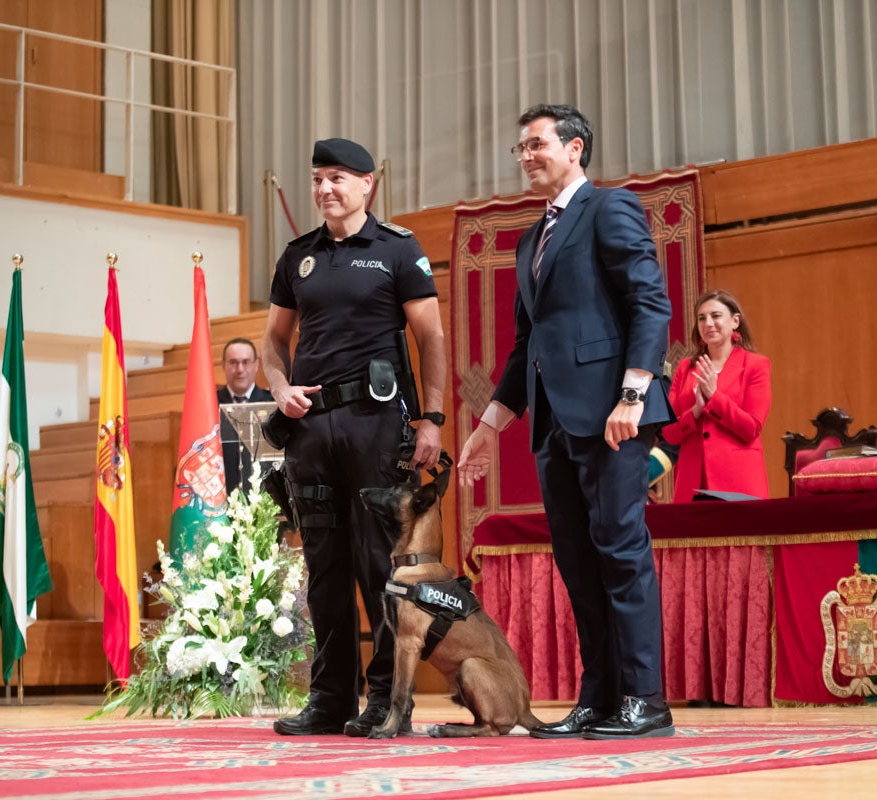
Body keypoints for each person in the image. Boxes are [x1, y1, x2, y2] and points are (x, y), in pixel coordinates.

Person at [457, 104, 675, 739]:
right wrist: (488, 426)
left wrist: (633, 395)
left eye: (537, 144)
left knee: (620, 552)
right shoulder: (531, 239)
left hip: (614, 417)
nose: (526, 156)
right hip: (553, 425)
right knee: (578, 562)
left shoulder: (610, 209)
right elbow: (526, 345)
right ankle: (600, 698)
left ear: (575, 149)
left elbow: (649, 302)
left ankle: (645, 700)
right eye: (520, 147)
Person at [262, 137, 447, 738]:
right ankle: (329, 697)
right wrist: (278, 387)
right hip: (311, 431)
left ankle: (387, 701)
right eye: (318, 178)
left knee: (379, 568)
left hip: (376, 426)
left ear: (368, 184)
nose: (325, 189)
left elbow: (432, 339)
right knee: (324, 569)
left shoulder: (398, 248)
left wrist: (433, 419)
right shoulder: (297, 256)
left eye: (338, 177)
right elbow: (272, 341)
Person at [661, 289, 771, 501]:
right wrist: (695, 412)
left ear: (735, 321)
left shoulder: (756, 365)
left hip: (738, 482)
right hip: (691, 482)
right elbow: (669, 433)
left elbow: (751, 428)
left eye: (716, 316)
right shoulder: (685, 368)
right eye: (702, 318)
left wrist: (714, 398)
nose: (708, 323)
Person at [217, 337, 273, 496]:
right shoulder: (210, 405)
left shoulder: (272, 403)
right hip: (222, 497)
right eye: (233, 362)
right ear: (223, 366)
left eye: (246, 362)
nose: (240, 369)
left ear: (256, 365)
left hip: (263, 498)